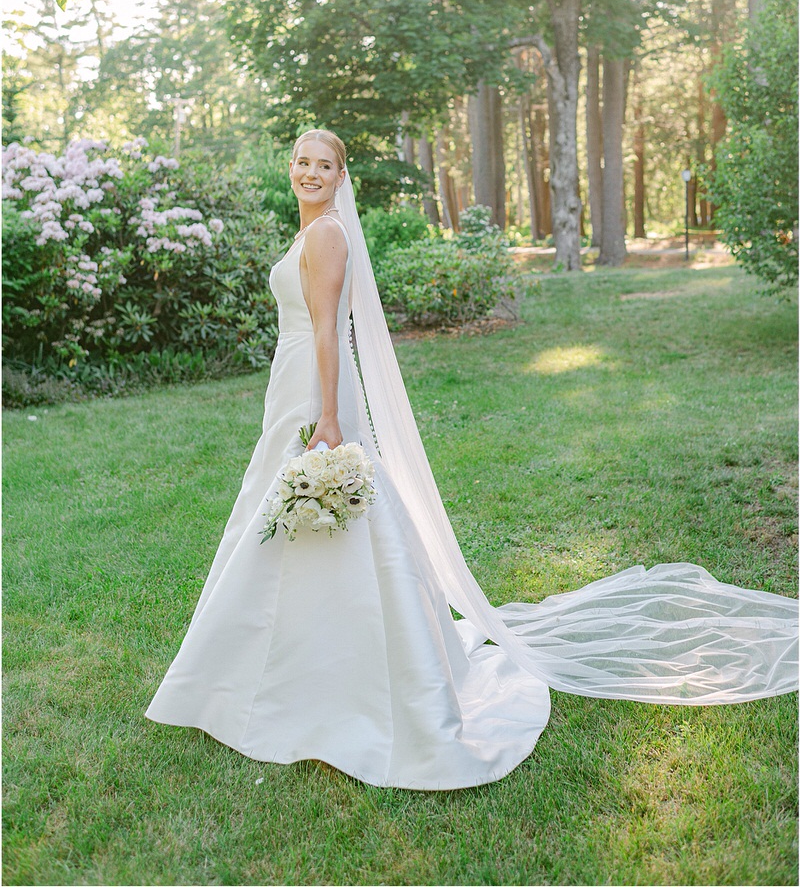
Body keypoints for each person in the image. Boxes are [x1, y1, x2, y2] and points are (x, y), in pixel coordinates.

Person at [146, 129, 798, 790]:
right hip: (294, 385)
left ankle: (293, 684)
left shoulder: (327, 235)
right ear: (291, 169)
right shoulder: (314, 231)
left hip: (316, 391)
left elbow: (325, 329)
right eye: (302, 163)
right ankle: (273, 674)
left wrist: (332, 419)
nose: (310, 173)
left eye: (324, 165)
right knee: (288, 515)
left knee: (313, 515)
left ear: (343, 176)